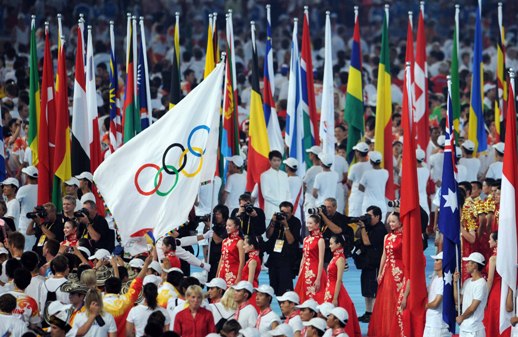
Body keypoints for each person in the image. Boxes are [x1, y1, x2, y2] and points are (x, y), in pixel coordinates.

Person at [368, 212, 405, 337]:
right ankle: (386, 329)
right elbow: (384, 254)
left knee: (396, 298)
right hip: (387, 271)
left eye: (393, 221)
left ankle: (396, 329)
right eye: (389, 221)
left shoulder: (405, 237)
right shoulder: (387, 237)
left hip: (399, 271)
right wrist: (380, 272)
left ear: (400, 222)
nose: (391, 224)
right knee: (385, 300)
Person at [104, 256, 151, 337]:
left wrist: (115, 267)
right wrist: (146, 264)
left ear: (105, 289)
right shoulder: (127, 300)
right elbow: (137, 282)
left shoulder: (97, 303)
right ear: (120, 288)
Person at [324, 235, 361, 337]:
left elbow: (339, 280)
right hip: (330, 288)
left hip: (335, 290)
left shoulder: (340, 259)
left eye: (332, 244)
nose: (330, 246)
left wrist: (335, 298)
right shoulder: (335, 256)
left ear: (338, 244)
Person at [355, 205, 387, 323]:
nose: (368, 218)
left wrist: (363, 228)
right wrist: (361, 226)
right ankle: (368, 313)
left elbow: (367, 242)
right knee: (366, 290)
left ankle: (374, 313)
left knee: (373, 290)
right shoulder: (368, 225)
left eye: (370, 216)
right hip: (366, 263)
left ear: (378, 216)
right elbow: (357, 235)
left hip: (375, 263)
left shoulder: (380, 229)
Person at [265, 201, 302, 295]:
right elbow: (268, 235)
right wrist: (273, 222)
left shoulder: (295, 222)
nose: (284, 215)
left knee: (285, 288)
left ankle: (289, 308)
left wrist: (286, 225)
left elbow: (291, 241)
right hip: (274, 257)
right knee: (274, 286)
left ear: (292, 212)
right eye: (282, 212)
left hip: (287, 259)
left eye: (287, 213)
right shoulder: (276, 219)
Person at [453, 252, 488, 337]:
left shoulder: (481, 284)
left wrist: (462, 317)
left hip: (474, 330)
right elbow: (458, 301)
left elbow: (473, 308)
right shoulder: (467, 282)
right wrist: (455, 282)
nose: (466, 265)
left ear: (475, 266)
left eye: (469, 262)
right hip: (464, 328)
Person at [294, 214, 327, 303]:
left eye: (310, 223)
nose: (308, 225)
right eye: (307, 223)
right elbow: (303, 257)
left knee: (315, 295)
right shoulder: (305, 239)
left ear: (317, 225)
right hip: (305, 270)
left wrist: (318, 278)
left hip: (315, 270)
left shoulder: (320, 240)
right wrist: (300, 272)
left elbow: (321, 261)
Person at [483, 232, 509, 336]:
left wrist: (485, 298)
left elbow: (490, 280)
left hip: (495, 292)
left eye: (490, 239)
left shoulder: (493, 258)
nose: (489, 241)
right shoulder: (508, 256)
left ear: (497, 241)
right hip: (506, 289)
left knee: (494, 317)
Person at [319, 198, 354, 264]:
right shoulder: (321, 217)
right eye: (325, 207)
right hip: (323, 250)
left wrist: (323, 216)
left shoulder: (340, 218)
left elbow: (337, 230)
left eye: (329, 207)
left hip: (334, 253)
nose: (326, 209)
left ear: (335, 207)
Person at [423, 252, 451, 337]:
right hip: (430, 322)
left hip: (438, 325)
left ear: (443, 262)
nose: (434, 262)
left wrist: (423, 306)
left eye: (437, 260)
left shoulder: (444, 281)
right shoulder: (434, 279)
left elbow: (436, 303)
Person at [260, 150, 291, 221]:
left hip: (284, 211)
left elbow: (288, 192)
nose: (277, 163)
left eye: (278, 160)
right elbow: (266, 194)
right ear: (270, 161)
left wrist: (287, 206)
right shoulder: (265, 175)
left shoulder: (284, 175)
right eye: (274, 160)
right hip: (271, 210)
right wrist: (281, 203)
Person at [359, 151, 389, 218]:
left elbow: (360, 187)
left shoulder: (367, 173)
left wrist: (368, 190)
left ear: (371, 162)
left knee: (367, 225)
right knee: (380, 225)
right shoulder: (386, 172)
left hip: (368, 204)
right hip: (381, 204)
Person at [217, 217, 245, 286]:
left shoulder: (240, 241)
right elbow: (221, 259)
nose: (227, 227)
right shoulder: (224, 241)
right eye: (226, 225)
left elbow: (242, 261)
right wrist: (217, 274)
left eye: (229, 226)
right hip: (222, 272)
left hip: (233, 274)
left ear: (237, 227)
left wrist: (239, 277)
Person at [16, 165, 38, 251]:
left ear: (27, 177)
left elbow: (17, 203)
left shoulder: (23, 189)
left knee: (24, 250)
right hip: (38, 224)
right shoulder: (41, 189)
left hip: (25, 224)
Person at [347, 142, 371, 217]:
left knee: (354, 217)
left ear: (358, 153)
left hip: (356, 195)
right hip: (369, 194)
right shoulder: (371, 165)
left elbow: (349, 181)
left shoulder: (355, 167)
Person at [208, 205, 230, 280]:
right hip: (212, 259)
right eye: (214, 214)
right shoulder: (215, 227)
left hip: (221, 260)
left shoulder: (227, 228)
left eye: (218, 214)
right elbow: (205, 236)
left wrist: (210, 228)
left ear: (224, 215)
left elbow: (218, 240)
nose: (215, 216)